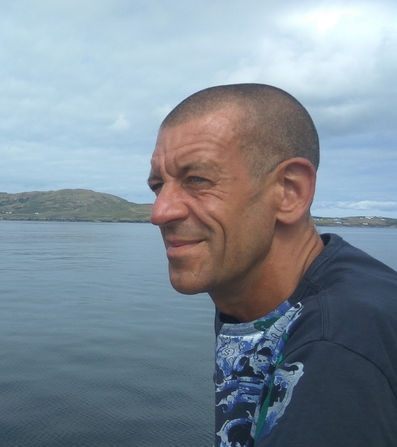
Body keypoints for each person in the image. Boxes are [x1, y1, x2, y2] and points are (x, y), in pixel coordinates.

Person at [147, 83, 397, 446]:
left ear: (289, 191)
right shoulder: (289, 299)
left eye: (197, 180)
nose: (160, 212)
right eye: (158, 185)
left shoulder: (339, 344)